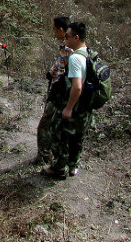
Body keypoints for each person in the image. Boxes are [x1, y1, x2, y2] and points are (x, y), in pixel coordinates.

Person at [44, 22, 94, 179]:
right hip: (86, 105)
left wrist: (68, 108)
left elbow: (77, 87)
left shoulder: (75, 58)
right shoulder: (90, 53)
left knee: (58, 134)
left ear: (76, 38)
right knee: (77, 136)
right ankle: (73, 166)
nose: (65, 40)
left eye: (67, 36)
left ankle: (58, 168)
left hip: (75, 104)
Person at [34, 16, 71, 165]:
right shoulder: (66, 45)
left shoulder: (69, 48)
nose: (54, 33)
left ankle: (45, 157)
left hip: (61, 93)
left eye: (54, 29)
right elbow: (60, 63)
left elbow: (68, 70)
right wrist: (51, 72)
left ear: (61, 30)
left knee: (46, 125)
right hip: (60, 90)